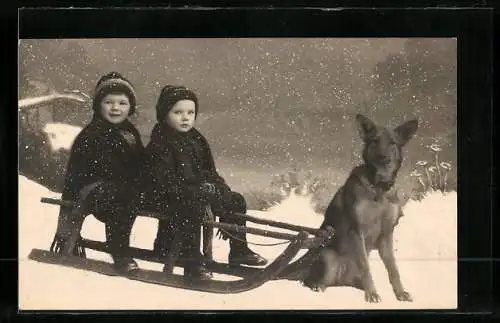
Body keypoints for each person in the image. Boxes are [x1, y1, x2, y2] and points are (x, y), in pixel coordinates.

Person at [142, 85, 268, 280]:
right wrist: (197, 190)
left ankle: (239, 250)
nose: (185, 118)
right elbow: (164, 181)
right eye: (178, 112)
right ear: (164, 115)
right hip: (166, 196)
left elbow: (209, 171)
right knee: (192, 206)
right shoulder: (161, 142)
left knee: (235, 200)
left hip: (195, 192)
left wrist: (219, 188)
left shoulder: (196, 139)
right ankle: (192, 261)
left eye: (190, 113)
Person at [59, 72, 144, 274]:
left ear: (131, 107)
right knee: (122, 194)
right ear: (98, 105)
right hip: (92, 191)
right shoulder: (92, 133)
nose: (116, 108)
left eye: (122, 103)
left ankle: (177, 250)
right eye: (109, 102)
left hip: (122, 190)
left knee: (145, 192)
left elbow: (140, 162)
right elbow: (81, 171)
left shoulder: (130, 132)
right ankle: (120, 251)